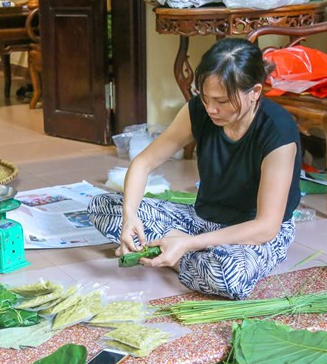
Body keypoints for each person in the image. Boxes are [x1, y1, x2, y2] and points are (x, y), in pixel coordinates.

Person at [88, 38, 301, 300]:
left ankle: (173, 253)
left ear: (255, 91)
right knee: (103, 206)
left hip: (251, 233)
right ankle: (179, 249)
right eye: (206, 97)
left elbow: (266, 227)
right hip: (201, 220)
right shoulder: (198, 111)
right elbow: (143, 163)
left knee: (229, 275)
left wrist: (186, 243)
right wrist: (130, 216)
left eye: (222, 101)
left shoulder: (277, 131)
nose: (211, 109)